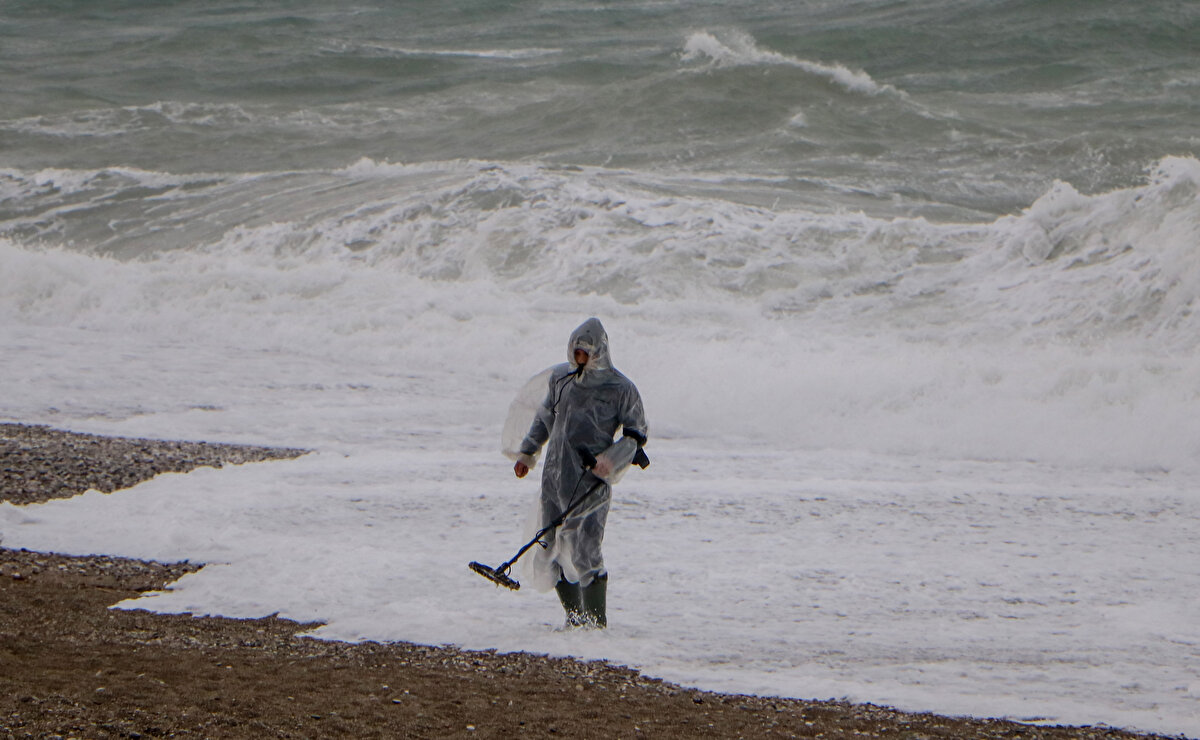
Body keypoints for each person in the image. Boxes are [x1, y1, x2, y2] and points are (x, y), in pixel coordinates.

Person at [513, 317, 647, 629]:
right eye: (576, 351)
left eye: (586, 352)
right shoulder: (561, 380)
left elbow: (635, 434)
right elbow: (545, 418)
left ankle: (596, 625)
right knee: (550, 547)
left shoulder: (621, 389)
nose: (580, 358)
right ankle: (575, 620)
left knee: (587, 549)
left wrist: (610, 461)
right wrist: (527, 453)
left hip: (591, 482)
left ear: (600, 351)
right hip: (555, 476)